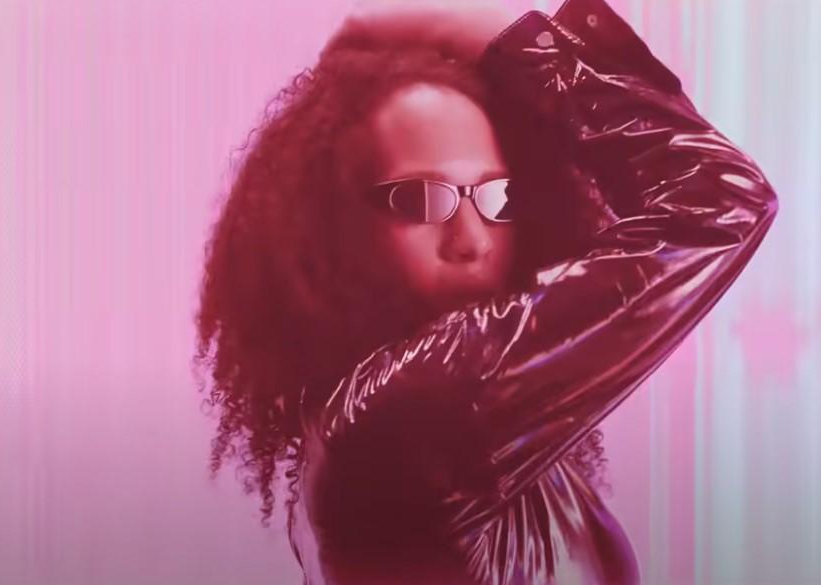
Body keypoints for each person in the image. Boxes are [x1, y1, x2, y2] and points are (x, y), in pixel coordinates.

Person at [193, 0, 779, 583]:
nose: (472, 240)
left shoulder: (410, 407)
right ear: (334, 226)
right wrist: (474, 28)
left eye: (496, 197)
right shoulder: (414, 406)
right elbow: (721, 201)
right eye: (423, 199)